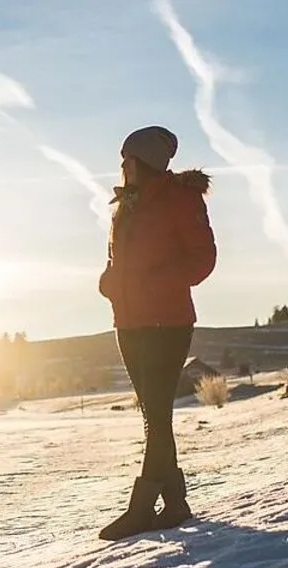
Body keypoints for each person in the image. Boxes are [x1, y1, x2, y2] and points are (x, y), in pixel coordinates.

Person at [97, 125, 217, 541]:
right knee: (152, 414)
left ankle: (141, 507)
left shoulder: (181, 199)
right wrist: (109, 282)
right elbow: (117, 260)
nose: (123, 166)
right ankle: (175, 503)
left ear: (145, 160)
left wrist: (155, 283)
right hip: (128, 323)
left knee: (159, 415)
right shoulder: (125, 205)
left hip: (168, 322)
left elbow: (203, 259)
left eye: (128, 158)